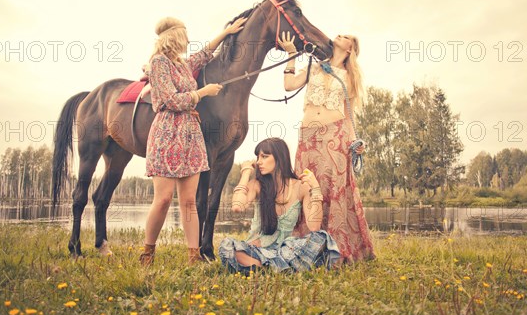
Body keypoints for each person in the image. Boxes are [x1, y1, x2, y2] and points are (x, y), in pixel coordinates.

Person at [140, 16, 247, 266]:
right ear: (175, 37)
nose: (188, 39)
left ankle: (194, 255)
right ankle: (147, 252)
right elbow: (169, 100)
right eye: (185, 34)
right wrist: (202, 92)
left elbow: (205, 54)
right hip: (167, 133)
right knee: (164, 198)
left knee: (189, 201)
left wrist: (226, 32)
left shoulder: (182, 65)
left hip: (190, 133)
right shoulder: (158, 63)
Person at [278, 31, 375, 262]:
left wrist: (355, 144)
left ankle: (336, 248)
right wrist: (292, 55)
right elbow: (289, 85)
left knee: (333, 189)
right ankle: (307, 246)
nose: (339, 35)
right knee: (309, 187)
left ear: (350, 48)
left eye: (345, 36)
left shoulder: (350, 77)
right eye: (339, 34)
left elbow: (350, 115)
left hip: (336, 136)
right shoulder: (315, 66)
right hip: (308, 137)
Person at [218, 138, 341, 274]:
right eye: (258, 157)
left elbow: (314, 227)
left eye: (264, 156)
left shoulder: (301, 187)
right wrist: (246, 172)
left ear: (279, 158)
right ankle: (277, 268)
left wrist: (316, 188)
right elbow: (237, 206)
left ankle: (267, 268)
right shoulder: (257, 185)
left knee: (321, 238)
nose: (259, 162)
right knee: (227, 246)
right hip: (256, 250)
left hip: (285, 250)